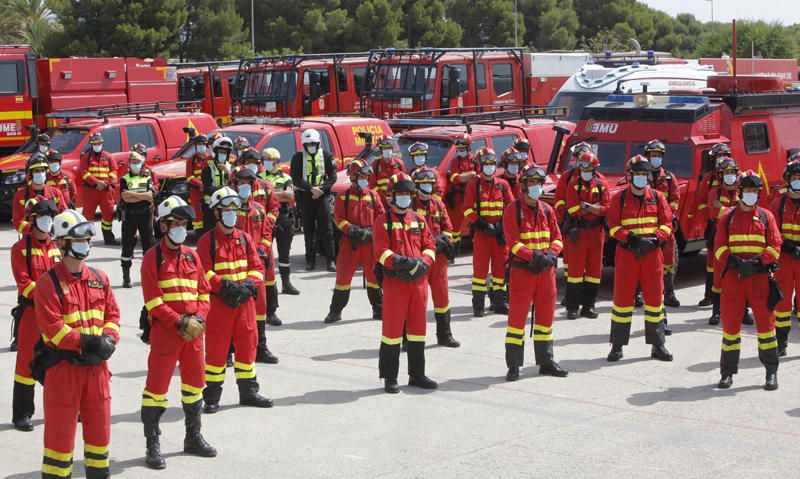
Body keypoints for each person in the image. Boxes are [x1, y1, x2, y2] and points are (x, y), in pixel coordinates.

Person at [34, 209, 120, 479]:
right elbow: (54, 330)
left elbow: (113, 315)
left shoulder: (100, 278)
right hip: (64, 371)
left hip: (97, 372)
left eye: (86, 239)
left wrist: (108, 340)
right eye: (78, 239)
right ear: (61, 243)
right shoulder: (48, 283)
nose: (85, 244)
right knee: (59, 447)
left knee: (99, 440)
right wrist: (91, 343)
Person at [140, 196, 217, 469]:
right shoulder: (152, 257)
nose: (181, 229)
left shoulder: (192, 255)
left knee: (195, 386)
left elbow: (204, 293)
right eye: (175, 224)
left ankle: (193, 437)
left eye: (184, 224)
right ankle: (152, 445)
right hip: (167, 333)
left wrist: (198, 318)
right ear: (163, 226)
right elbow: (153, 300)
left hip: (194, 333)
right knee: (156, 390)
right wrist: (179, 322)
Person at [196, 186, 273, 412]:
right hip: (221, 304)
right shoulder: (206, 241)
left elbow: (257, 267)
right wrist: (225, 287)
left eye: (234, 210)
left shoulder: (245, 238)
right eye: (226, 210)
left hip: (245, 303)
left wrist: (248, 285)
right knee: (217, 351)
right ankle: (211, 397)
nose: (231, 214)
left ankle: (249, 392)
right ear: (217, 213)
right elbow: (205, 273)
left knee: (247, 347)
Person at [714, 171, 781, 390]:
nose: (751, 194)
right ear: (740, 192)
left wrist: (757, 263)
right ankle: (727, 373)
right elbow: (719, 247)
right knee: (731, 327)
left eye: (755, 191)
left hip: (759, 277)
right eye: (748, 190)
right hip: (734, 278)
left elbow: (775, 245)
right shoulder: (727, 217)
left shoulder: (766, 216)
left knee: (766, 327)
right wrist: (734, 262)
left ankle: (771, 373)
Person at [373, 172, 438, 393]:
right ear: (391, 196)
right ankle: (390, 377)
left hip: (419, 282)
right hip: (396, 283)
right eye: (400, 193)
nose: (405, 197)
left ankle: (417, 375)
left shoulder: (419, 220)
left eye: (407, 193)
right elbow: (381, 252)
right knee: (391, 332)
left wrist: (423, 263)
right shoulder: (383, 221)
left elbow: (430, 245)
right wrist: (405, 264)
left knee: (418, 330)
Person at [606, 155, 674, 363]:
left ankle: (658, 345)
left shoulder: (657, 197)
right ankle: (617, 347)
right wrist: (631, 238)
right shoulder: (619, 198)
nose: (642, 178)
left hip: (652, 255)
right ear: (630, 176)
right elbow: (613, 226)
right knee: (622, 302)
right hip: (628, 254)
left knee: (654, 301)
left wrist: (656, 238)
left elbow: (667, 223)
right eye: (638, 174)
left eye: (645, 175)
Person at [503, 165, 568, 381]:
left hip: (546, 272)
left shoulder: (547, 209)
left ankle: (546, 362)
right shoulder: (513, 210)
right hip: (523, 272)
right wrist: (534, 256)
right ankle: (513, 366)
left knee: (545, 319)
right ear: (523, 185)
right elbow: (513, 243)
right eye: (532, 183)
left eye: (539, 183)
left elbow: (558, 238)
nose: (536, 187)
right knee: (516, 320)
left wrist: (551, 254)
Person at [10, 197, 60, 432]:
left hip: (57, 314)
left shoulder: (58, 246)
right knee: (26, 364)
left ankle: (64, 408)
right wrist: (48, 297)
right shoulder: (20, 249)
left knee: (60, 361)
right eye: (42, 217)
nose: (47, 221)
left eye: (50, 217)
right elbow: (24, 283)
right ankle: (22, 413)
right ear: (32, 220)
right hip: (32, 313)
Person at [324, 159, 385, 323]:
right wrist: (354, 231)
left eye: (367, 176)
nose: (365, 179)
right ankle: (335, 312)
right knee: (343, 279)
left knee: (374, 278)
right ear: (353, 177)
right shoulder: (343, 197)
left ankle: (378, 310)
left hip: (371, 243)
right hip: (350, 244)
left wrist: (372, 232)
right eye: (362, 176)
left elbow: (381, 217)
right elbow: (339, 219)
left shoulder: (373, 195)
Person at [230, 168, 279, 364]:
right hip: (237, 265)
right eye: (241, 183)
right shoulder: (229, 210)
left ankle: (261, 348)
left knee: (260, 308)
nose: (245, 187)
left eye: (248, 184)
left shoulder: (259, 209)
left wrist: (262, 250)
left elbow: (267, 233)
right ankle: (228, 350)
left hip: (258, 266)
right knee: (234, 307)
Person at [463, 147, 515, 316]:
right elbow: (467, 210)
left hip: (500, 235)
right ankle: (478, 306)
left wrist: (501, 226)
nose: (489, 166)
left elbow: (511, 208)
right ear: (480, 166)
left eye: (492, 163)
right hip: (483, 234)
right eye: (486, 163)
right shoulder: (474, 185)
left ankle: (500, 303)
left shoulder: (503, 185)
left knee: (500, 272)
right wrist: (481, 224)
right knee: (480, 272)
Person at [412, 167, 459, 347]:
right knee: (416, 299)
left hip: (438, 259)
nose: (427, 187)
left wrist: (442, 240)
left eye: (430, 184)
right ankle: (410, 339)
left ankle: (444, 335)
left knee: (442, 297)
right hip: (419, 258)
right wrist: (430, 243)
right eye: (423, 184)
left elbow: (449, 229)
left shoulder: (439, 205)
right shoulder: (410, 207)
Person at [562, 150, 609, 319]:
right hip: (578, 232)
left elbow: (605, 209)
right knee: (574, 271)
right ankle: (572, 307)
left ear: (594, 169)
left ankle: (589, 306)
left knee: (594, 271)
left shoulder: (602, 184)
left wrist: (586, 206)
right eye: (582, 167)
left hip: (597, 233)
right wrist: (594, 207)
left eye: (588, 168)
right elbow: (573, 209)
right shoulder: (573, 184)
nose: (585, 171)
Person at [290, 128, 337, 271]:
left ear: (318, 144)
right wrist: (311, 188)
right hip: (306, 197)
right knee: (308, 230)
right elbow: (295, 178)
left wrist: (321, 190)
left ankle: (331, 261)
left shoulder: (327, 156)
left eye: (313, 144)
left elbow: (333, 176)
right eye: (308, 144)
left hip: (322, 197)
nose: (310, 146)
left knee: (327, 230)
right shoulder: (297, 158)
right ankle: (310, 260)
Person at [644, 140, 681, 312]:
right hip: (646, 224)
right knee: (643, 259)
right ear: (648, 156)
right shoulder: (641, 176)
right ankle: (639, 293)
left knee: (668, 260)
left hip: (665, 225)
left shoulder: (669, 177)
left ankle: (669, 293)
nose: (656, 158)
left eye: (658, 156)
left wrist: (669, 215)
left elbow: (674, 200)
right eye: (653, 155)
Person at [770, 157, 800, 357]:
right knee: (782, 305)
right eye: (795, 177)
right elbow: (772, 232)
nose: (798, 180)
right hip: (785, 258)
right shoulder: (778, 204)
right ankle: (781, 342)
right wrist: (788, 247)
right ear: (787, 179)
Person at [261, 147, 300, 295]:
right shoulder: (259, 177)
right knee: (264, 252)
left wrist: (271, 194)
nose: (266, 163)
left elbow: (289, 196)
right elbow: (261, 196)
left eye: (269, 160)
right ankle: (267, 285)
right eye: (265, 160)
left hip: (283, 217)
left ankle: (286, 283)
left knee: (284, 253)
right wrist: (281, 193)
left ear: (276, 162)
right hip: (265, 218)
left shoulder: (286, 177)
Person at [707, 158, 741, 326]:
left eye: (732, 172)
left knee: (742, 277)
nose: (730, 176)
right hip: (721, 239)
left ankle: (744, 312)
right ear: (721, 176)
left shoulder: (742, 191)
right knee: (719, 278)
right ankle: (716, 312)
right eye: (727, 173)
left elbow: (726, 212)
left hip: (741, 240)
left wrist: (725, 210)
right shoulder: (714, 193)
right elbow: (716, 212)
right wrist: (738, 211)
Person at [697, 143, 731, 306]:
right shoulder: (708, 179)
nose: (721, 159)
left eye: (724, 155)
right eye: (718, 156)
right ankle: (709, 295)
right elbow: (702, 203)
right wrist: (711, 216)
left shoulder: (737, 177)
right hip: (713, 225)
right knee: (711, 263)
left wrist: (723, 210)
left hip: (733, 228)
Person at [119, 151, 157, 288]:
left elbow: (150, 196)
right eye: (133, 162)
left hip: (145, 215)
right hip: (130, 215)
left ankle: (147, 276)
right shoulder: (125, 179)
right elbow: (125, 197)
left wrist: (132, 194)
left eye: (137, 162)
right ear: (129, 164)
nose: (135, 165)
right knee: (127, 245)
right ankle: (126, 277)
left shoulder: (147, 178)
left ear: (141, 163)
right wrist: (141, 195)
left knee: (148, 246)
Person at [80, 132, 120, 245]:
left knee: (108, 214)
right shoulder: (86, 157)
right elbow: (83, 172)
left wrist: (106, 183)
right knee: (87, 215)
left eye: (99, 143)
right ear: (91, 145)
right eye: (95, 143)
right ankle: (86, 239)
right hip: (91, 190)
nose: (97, 145)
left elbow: (114, 171)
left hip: (106, 191)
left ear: (102, 143)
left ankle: (108, 238)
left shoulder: (108, 156)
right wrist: (96, 182)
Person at [12, 154, 66, 236]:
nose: (40, 173)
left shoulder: (56, 193)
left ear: (46, 172)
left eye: (42, 170)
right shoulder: (20, 196)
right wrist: (36, 228)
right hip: (30, 238)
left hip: (52, 238)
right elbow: (17, 222)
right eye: (36, 171)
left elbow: (64, 215)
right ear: (30, 173)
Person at [445, 133, 478, 262]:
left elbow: (479, 177)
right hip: (459, 197)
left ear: (468, 147)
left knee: (475, 223)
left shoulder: (475, 160)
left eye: (462, 148)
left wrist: (466, 176)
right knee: (455, 227)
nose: (460, 151)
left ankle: (477, 252)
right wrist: (470, 174)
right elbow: (455, 178)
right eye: (458, 148)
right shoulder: (455, 161)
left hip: (473, 196)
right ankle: (453, 255)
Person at [201, 136, 234, 233]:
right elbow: (207, 189)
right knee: (210, 233)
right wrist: (225, 188)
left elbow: (235, 186)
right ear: (215, 153)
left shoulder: (231, 169)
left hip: (227, 206)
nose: (222, 154)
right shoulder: (208, 169)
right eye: (220, 152)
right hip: (210, 207)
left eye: (225, 153)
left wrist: (229, 173)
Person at [369, 137, 406, 208]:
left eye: (389, 148)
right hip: (381, 203)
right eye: (385, 148)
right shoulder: (375, 165)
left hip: (397, 201)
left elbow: (404, 183)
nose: (387, 150)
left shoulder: (399, 164)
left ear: (392, 149)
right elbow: (372, 186)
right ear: (381, 150)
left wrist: (395, 197)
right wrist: (385, 197)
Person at [186, 135, 210, 232]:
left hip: (208, 190)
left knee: (209, 212)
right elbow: (189, 176)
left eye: (203, 144)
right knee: (198, 213)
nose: (201, 146)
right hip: (196, 191)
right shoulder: (191, 160)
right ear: (196, 146)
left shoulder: (210, 159)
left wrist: (206, 186)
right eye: (199, 144)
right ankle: (199, 233)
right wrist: (200, 184)